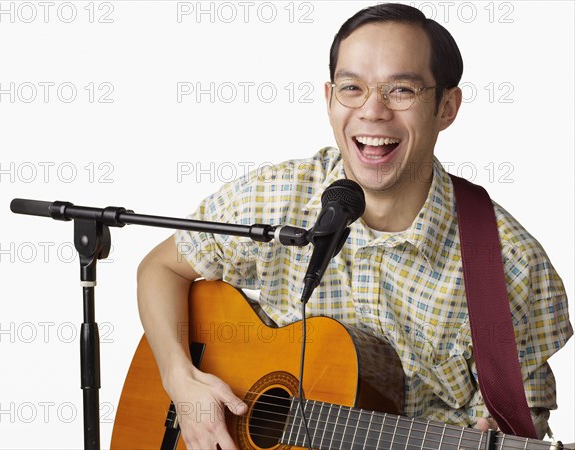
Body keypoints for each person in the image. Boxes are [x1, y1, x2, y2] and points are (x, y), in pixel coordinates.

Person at [137, 3, 572, 449]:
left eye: (400, 90)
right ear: (329, 99)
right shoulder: (274, 197)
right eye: (352, 88)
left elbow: (517, 430)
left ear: (446, 106)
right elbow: (162, 269)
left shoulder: (509, 266)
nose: (373, 111)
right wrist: (179, 379)